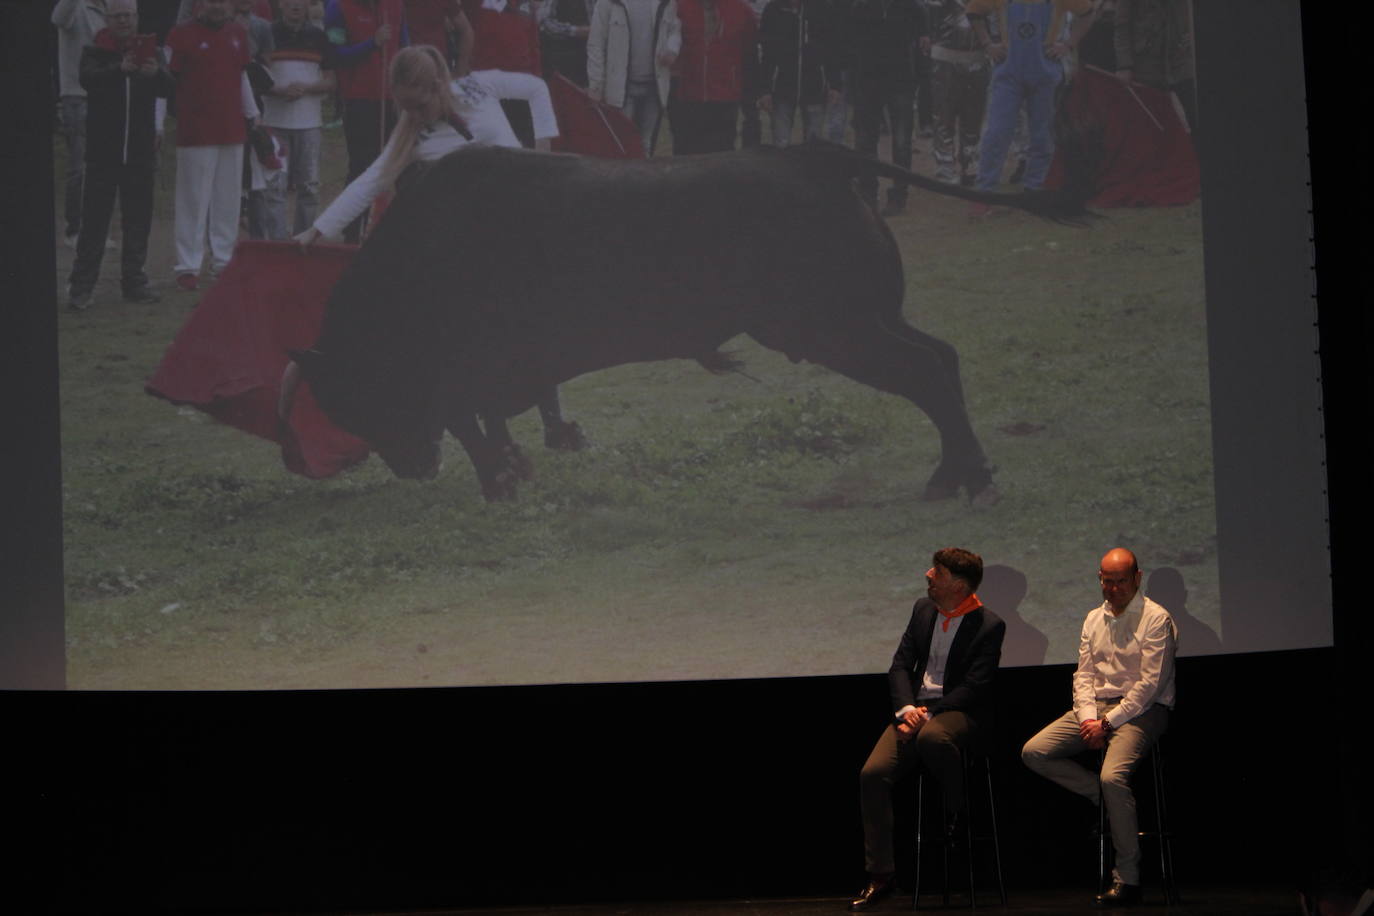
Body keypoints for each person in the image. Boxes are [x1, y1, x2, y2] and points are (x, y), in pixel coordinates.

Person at [294, 45, 585, 451]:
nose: (415, 114)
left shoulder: (479, 87)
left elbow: (536, 88)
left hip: (520, 228)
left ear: (437, 86)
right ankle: (501, 435)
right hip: (471, 252)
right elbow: (372, 179)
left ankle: (555, 425)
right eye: (405, 106)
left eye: (419, 103)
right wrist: (317, 230)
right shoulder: (412, 133)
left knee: (536, 328)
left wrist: (544, 154)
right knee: (490, 341)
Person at [1021, 547, 1177, 908]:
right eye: (1107, 581)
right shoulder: (1094, 618)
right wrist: (1090, 719)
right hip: (1098, 711)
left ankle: (1128, 878)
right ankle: (1100, 799)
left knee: (1113, 777)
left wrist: (1107, 723)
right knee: (1035, 752)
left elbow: (1149, 685)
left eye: (1121, 581)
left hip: (1143, 711)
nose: (1113, 588)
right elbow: (1084, 676)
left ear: (1137, 579)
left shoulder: (1156, 619)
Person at [853, 547, 1006, 912]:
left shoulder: (989, 625)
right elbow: (900, 665)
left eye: (936, 572)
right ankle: (882, 874)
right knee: (872, 774)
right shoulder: (923, 611)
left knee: (934, 736)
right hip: (916, 708)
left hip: (958, 710)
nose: (928, 575)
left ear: (957, 583)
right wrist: (908, 710)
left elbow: (975, 686)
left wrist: (929, 715)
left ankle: (957, 810)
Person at [67, 0, 175, 309]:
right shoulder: (96, 50)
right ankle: (82, 286)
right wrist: (120, 70)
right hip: (103, 153)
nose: (124, 21)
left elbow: (171, 89)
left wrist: (155, 75)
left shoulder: (151, 51)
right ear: (108, 20)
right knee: (95, 222)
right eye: (117, 16)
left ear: (137, 18)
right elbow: (88, 79)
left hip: (140, 152)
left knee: (138, 220)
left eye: (128, 16)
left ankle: (134, 282)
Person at [166, 0, 259, 291]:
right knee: (193, 199)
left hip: (232, 130)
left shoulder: (237, 33)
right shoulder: (179, 35)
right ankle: (188, 265)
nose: (217, 6)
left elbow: (242, 75)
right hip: (195, 132)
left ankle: (223, 260)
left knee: (228, 199)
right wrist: (158, 123)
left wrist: (252, 113)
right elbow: (165, 82)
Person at [966, 0, 1093, 196]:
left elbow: (1087, 14)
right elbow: (973, 12)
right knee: (997, 132)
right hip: (1008, 74)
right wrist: (988, 44)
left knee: (1042, 136)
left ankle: (1034, 188)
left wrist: (1068, 45)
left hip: (1045, 74)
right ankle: (984, 191)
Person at [326, 0, 409, 241]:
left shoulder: (396, 6)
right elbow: (334, 54)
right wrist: (372, 43)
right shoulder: (338, 7)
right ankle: (352, 234)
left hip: (393, 100)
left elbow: (405, 48)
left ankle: (397, 234)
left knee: (400, 168)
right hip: (358, 100)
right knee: (361, 167)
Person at [261, 0, 338, 238]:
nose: (295, 6)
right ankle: (277, 242)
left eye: (300, 2)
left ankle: (302, 239)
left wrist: (306, 88)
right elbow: (256, 77)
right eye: (290, 2)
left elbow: (331, 81)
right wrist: (280, 91)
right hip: (275, 122)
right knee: (275, 187)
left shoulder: (319, 37)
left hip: (309, 124)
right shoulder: (268, 34)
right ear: (281, 5)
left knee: (310, 187)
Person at [844, 0, 923, 216]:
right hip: (867, 82)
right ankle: (868, 193)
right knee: (865, 141)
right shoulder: (860, 7)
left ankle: (899, 195)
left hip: (900, 81)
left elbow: (921, 43)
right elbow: (850, 47)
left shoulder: (910, 7)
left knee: (901, 143)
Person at [585, 0, 681, 155]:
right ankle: (620, 179)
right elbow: (596, 44)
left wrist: (672, 48)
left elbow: (674, 28)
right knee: (621, 145)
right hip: (621, 89)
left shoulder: (667, 2)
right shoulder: (607, 3)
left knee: (646, 145)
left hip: (654, 88)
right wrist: (596, 85)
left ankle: (643, 179)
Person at [52, 0, 107, 250]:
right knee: (79, 166)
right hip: (76, 96)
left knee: (100, 168)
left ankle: (94, 231)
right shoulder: (75, 7)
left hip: (103, 95)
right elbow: (57, 18)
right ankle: (74, 229)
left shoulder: (107, 9)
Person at [669, 0, 758, 155]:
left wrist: (749, 103)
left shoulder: (742, 12)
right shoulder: (679, 8)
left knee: (720, 156)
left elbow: (750, 60)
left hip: (724, 99)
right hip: (688, 98)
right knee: (687, 157)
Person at [918, 0, 989, 186]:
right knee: (944, 117)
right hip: (945, 60)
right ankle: (945, 167)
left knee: (973, 118)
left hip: (977, 60)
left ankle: (970, 165)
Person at [755, 0, 841, 148]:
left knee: (814, 147)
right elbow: (766, 53)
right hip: (781, 88)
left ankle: (812, 171)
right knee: (780, 145)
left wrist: (835, 84)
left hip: (815, 87)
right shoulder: (773, 9)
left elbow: (832, 49)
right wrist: (764, 90)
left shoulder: (822, 8)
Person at [1113, 0, 1195, 132]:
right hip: (1146, 65)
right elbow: (1122, 26)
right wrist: (1124, 65)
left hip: (1180, 61)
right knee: (1149, 124)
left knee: (1193, 118)